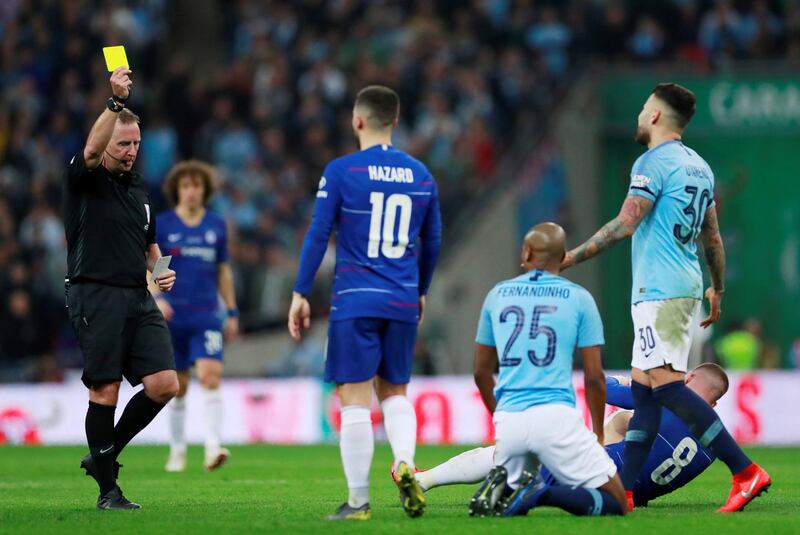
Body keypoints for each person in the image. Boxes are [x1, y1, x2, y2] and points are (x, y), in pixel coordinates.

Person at [560, 82, 770, 513]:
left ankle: (745, 471)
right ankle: (629, 490)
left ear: (656, 115)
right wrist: (718, 287)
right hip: (681, 287)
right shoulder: (699, 167)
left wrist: (569, 258)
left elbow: (625, 224)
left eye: (643, 109)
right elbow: (712, 238)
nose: (639, 116)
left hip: (662, 290)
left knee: (668, 387)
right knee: (645, 392)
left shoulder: (652, 162)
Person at [288, 85, 442, 521]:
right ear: (394, 122)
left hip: (355, 299)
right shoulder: (421, 175)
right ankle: (406, 464)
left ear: (357, 121)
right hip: (400, 299)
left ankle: (358, 501)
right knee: (395, 391)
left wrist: (300, 292)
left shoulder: (340, 172)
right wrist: (422, 290)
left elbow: (319, 234)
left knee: (353, 397)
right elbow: (432, 239)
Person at [64, 67, 178, 509]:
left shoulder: (139, 188)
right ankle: (108, 490)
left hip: (137, 293)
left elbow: (150, 243)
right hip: (95, 293)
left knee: (165, 383)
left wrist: (162, 270)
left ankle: (103, 455)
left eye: (135, 144)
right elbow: (92, 151)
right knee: (106, 390)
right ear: (107, 142)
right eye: (122, 144)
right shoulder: (85, 177)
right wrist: (113, 103)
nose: (130, 152)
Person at [416, 363, 729, 512]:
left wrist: (622, 380)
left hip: (600, 473)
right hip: (631, 495)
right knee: (625, 421)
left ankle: (425, 480)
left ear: (687, 379)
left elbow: (603, 388)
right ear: (713, 403)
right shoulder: (715, 443)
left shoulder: (669, 398)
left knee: (516, 448)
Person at [469, 222, 626, 518]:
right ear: (564, 254)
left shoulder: (497, 295)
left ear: (527, 252)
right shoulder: (580, 298)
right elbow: (594, 378)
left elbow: (480, 372)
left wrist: (500, 416)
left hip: (511, 420)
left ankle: (518, 488)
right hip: (557, 419)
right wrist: (597, 435)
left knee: (508, 490)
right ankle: (543, 493)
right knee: (618, 503)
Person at [153, 160, 239, 472]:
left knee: (210, 376)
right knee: (179, 387)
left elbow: (223, 271)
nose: (191, 192)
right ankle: (177, 450)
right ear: (177, 190)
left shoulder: (216, 226)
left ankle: (213, 447)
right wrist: (158, 297)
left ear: (205, 191)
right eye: (186, 186)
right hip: (173, 316)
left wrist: (231, 310)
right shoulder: (164, 225)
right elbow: (156, 266)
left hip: (206, 316)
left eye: (197, 186)